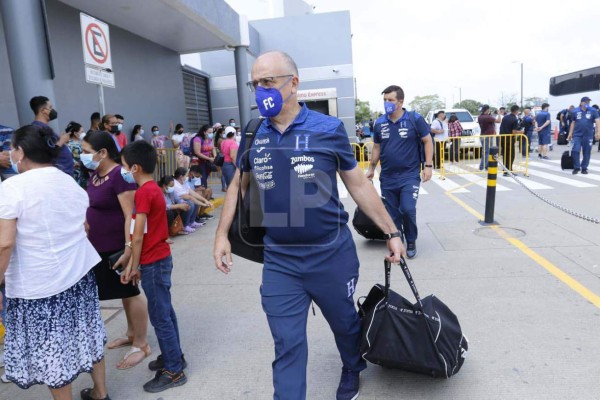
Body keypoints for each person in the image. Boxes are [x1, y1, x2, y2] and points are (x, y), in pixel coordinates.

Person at [213, 51, 405, 400]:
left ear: (294, 84)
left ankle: (352, 367)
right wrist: (221, 235)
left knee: (345, 324)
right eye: (255, 84)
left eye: (267, 82)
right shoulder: (254, 132)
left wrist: (391, 231)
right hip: (280, 259)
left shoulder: (328, 129)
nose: (260, 91)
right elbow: (238, 184)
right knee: (287, 343)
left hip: (330, 253)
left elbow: (358, 185)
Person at [0, 124, 110, 400]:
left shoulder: (12, 187)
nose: (9, 154)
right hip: (79, 276)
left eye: (11, 148)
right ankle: (101, 393)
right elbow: (84, 227)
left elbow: (4, 243)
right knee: (88, 333)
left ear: (21, 152)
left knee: (53, 353)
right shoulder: (67, 180)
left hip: (42, 286)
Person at [120, 141, 187, 394]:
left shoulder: (143, 193)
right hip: (159, 258)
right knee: (166, 312)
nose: (123, 172)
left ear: (135, 167)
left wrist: (133, 266)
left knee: (160, 316)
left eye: (125, 167)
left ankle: (173, 370)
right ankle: (174, 356)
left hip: (152, 261)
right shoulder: (153, 189)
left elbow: (138, 235)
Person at [82, 131, 151, 370]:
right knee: (122, 291)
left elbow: (130, 215)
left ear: (103, 152)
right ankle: (132, 333)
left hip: (118, 247)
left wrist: (129, 248)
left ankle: (141, 343)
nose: (83, 156)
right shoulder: (94, 175)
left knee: (131, 291)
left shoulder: (120, 175)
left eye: (87, 152)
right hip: (98, 246)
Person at [367, 85, 434, 259]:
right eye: (385, 100)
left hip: (409, 175)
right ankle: (398, 238)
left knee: (407, 209)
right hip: (388, 177)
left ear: (400, 102)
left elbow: (427, 141)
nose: (387, 103)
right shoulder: (379, 123)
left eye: (390, 100)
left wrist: (428, 166)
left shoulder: (414, 119)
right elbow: (376, 147)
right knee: (392, 213)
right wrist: (371, 169)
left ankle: (411, 240)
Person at [30, 96, 74, 176]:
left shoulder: (42, 127)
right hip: (59, 175)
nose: (52, 110)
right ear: (43, 111)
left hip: (62, 173)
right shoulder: (38, 129)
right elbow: (47, 153)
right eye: (50, 107)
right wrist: (62, 141)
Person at [568, 96, 600, 174]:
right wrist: (570, 133)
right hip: (577, 135)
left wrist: (598, 132)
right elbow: (573, 123)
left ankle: (584, 168)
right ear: (581, 103)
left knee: (587, 152)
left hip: (588, 135)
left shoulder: (593, 110)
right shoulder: (575, 111)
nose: (587, 103)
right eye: (586, 102)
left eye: (588, 102)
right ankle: (576, 167)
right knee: (575, 150)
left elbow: (597, 121)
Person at [172, 167, 209, 232]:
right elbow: (189, 197)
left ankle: (191, 222)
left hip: (182, 201)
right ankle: (185, 225)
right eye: (186, 175)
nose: (187, 176)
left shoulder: (183, 182)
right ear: (181, 176)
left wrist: (205, 200)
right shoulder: (176, 185)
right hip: (175, 204)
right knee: (190, 203)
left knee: (194, 202)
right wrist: (203, 204)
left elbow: (192, 192)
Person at [65, 121, 88, 188]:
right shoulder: (77, 145)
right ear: (75, 133)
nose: (83, 133)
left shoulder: (67, 144)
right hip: (79, 175)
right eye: (81, 132)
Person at [499, 105, 521, 176]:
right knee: (511, 155)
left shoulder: (505, 117)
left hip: (503, 138)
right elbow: (514, 132)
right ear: (516, 111)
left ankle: (505, 170)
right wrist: (522, 132)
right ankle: (509, 170)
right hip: (509, 140)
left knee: (505, 155)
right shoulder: (514, 119)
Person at [478, 104, 496, 170]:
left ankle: (482, 166)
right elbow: (498, 120)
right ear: (487, 110)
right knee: (486, 152)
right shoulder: (487, 117)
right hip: (488, 136)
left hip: (483, 135)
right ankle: (485, 166)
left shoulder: (480, 116)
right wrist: (499, 114)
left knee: (485, 151)